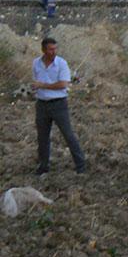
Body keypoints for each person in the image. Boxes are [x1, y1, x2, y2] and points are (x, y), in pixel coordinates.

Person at [32, 37, 86, 174]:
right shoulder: (36, 63)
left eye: (55, 48)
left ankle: (81, 165)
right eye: (50, 49)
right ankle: (43, 166)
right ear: (43, 50)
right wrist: (38, 87)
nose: (53, 51)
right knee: (42, 137)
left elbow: (63, 84)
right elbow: (36, 80)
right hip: (42, 104)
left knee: (68, 134)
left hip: (58, 104)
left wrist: (43, 85)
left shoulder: (61, 63)